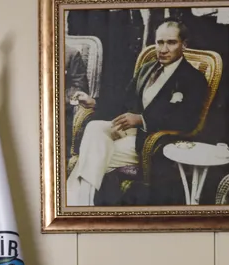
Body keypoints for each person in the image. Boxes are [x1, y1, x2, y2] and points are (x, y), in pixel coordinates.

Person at [66, 20, 210, 206]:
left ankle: (79, 205)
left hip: (155, 142)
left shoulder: (193, 79)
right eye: (159, 42)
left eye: (171, 42)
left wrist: (142, 119)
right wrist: (94, 102)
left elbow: (186, 120)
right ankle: (83, 204)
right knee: (94, 128)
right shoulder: (147, 69)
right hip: (131, 133)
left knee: (91, 155)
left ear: (184, 45)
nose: (163, 49)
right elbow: (124, 101)